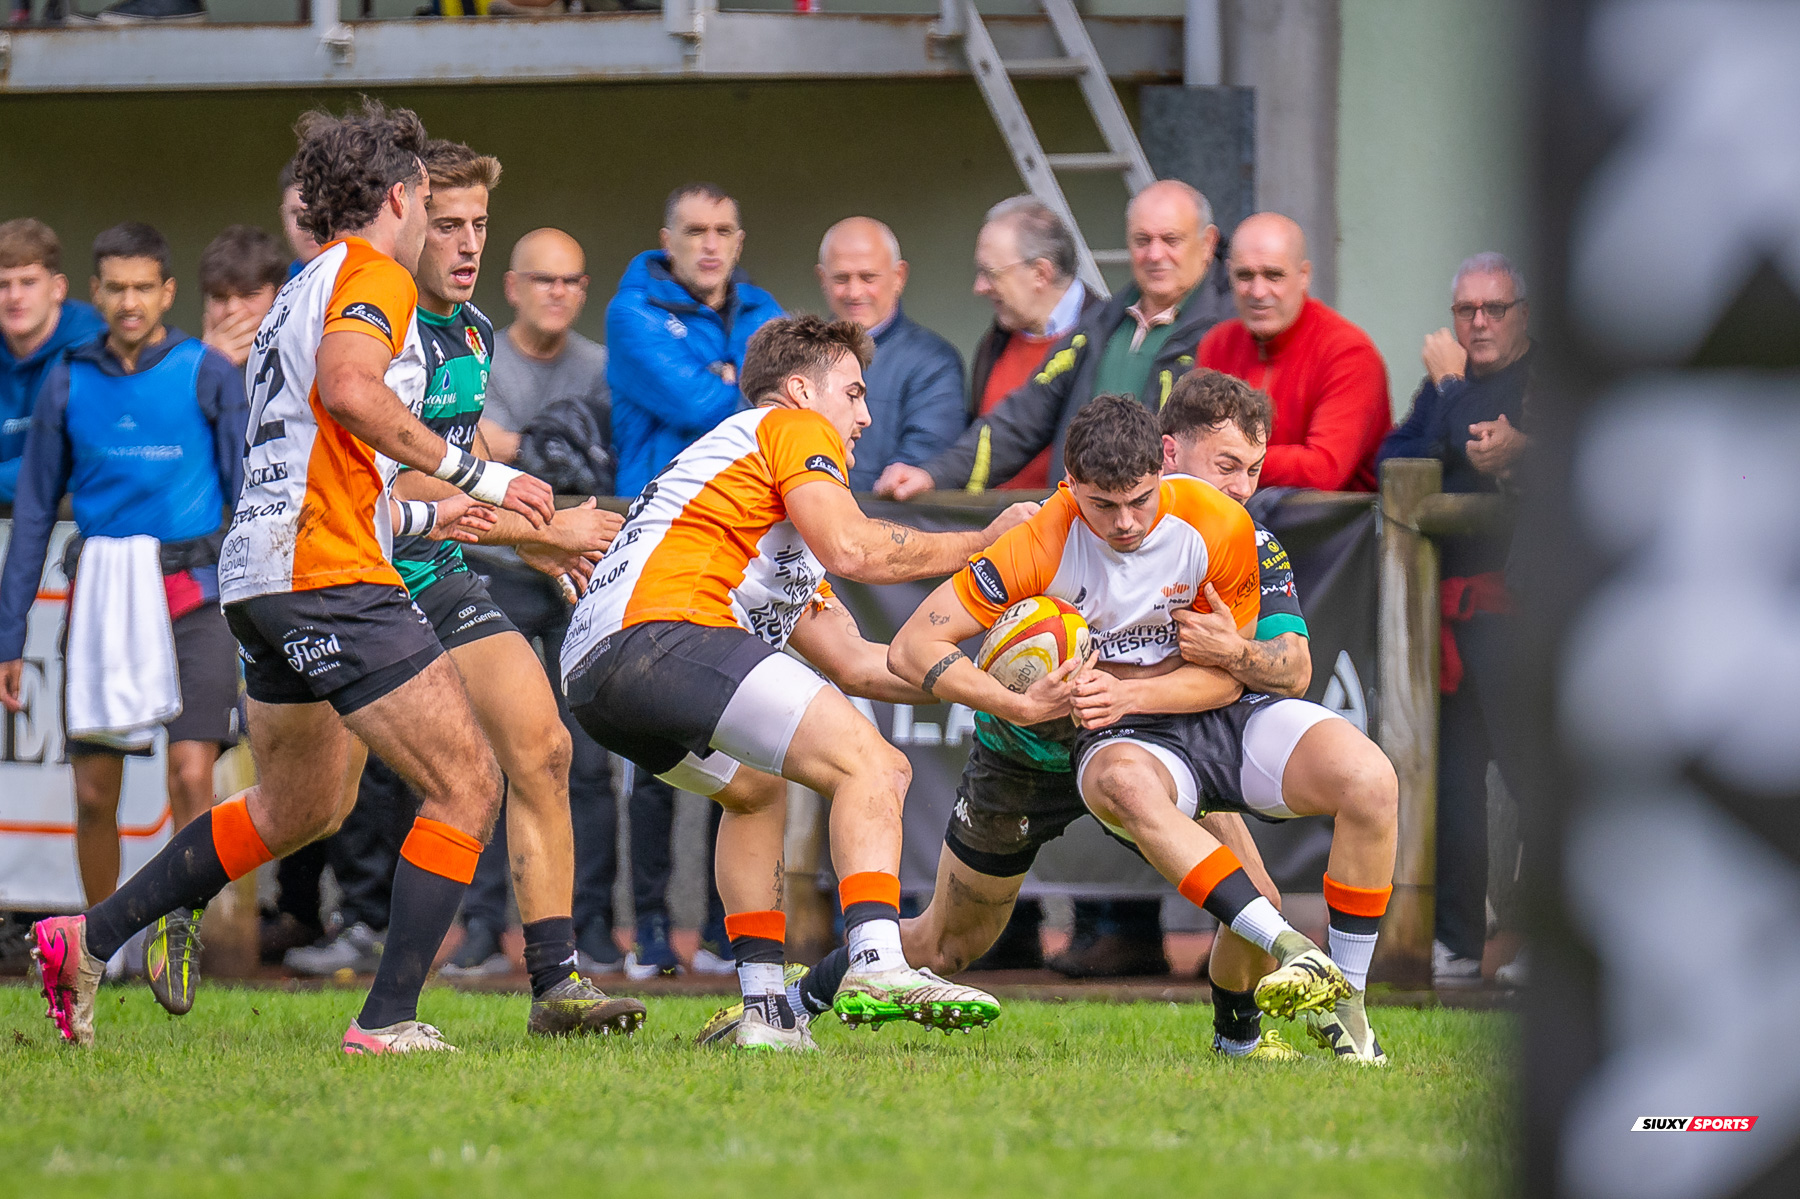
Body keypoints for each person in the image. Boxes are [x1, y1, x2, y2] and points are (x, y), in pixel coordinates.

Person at [29, 98, 557, 1055]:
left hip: (257, 573)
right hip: (326, 564)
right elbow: (355, 394)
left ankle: (87, 934)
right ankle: (387, 1019)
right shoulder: (370, 273)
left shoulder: (302, 288)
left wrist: (442, 505)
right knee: (468, 779)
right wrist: (487, 474)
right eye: (431, 204)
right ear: (400, 196)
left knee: (302, 805)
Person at [560, 315, 1038, 1050]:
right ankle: (877, 961)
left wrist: (998, 688)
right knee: (876, 764)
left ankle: (765, 1013)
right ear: (799, 390)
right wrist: (984, 543)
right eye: (853, 393)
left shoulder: (754, 503)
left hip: (595, 673)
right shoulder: (789, 427)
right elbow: (853, 545)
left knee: (754, 789)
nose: (864, 415)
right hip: (660, 630)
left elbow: (859, 663)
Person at [888, 394, 1399, 1063]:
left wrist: (1172, 676)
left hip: (1147, 732)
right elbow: (909, 648)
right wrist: (1015, 703)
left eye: (1140, 501)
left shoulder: (1221, 525)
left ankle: (1283, 1025)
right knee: (948, 943)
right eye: (1104, 505)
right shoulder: (1042, 537)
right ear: (1071, 486)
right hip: (1026, 750)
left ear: (1160, 470)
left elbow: (1255, 674)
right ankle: (817, 983)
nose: (1126, 523)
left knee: (1266, 887)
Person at [329, 137, 640, 1034]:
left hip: (442, 571)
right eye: (447, 225)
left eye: (479, 226)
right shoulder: (379, 326)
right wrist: (543, 532)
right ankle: (130, 918)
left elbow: (448, 491)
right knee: (305, 804)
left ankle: (556, 983)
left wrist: (525, 539)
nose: (466, 244)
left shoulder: (474, 334)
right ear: (406, 223)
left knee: (543, 746)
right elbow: (396, 484)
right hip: (351, 574)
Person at [0, 221, 246, 1017]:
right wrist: (8, 637)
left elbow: (247, 497)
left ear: (167, 293)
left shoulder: (207, 372)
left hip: (195, 594)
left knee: (190, 774)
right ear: (96, 292)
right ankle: (93, 951)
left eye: (145, 286)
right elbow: (34, 514)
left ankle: (180, 920)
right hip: (103, 596)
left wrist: (254, 610)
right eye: (117, 287)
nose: (131, 300)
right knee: (95, 794)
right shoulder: (68, 382)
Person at [875, 180, 1232, 499]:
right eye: (1142, 241)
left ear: (1207, 243)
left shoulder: (1230, 328)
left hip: (1178, 536)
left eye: (1170, 240)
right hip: (1083, 527)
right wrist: (933, 475)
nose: (1154, 255)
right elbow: (1020, 421)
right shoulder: (1100, 325)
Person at [1377, 251, 1531, 988]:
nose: (1476, 323)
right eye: (1466, 310)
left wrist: (1448, 389)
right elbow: (1402, 454)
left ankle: (1545, 943)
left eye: (1493, 309)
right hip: (1448, 620)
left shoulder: (1534, 380)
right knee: (1454, 785)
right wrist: (1448, 405)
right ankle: (1459, 942)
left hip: (1523, 613)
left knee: (1537, 779)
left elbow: (1469, 440)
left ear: (1523, 313)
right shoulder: (1451, 387)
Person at [606, 182, 783, 499]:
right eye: (696, 232)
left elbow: (797, 398)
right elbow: (697, 406)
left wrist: (723, 378)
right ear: (668, 241)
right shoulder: (632, 313)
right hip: (659, 509)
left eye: (724, 231)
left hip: (750, 504)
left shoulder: (764, 310)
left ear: (739, 244)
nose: (711, 245)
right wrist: (751, 387)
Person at [1197, 213, 1391, 491]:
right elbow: (1191, 444)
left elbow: (1323, 468)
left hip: (1326, 529)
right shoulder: (1216, 344)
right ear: (1228, 273)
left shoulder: (1348, 353)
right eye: (1244, 276)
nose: (1258, 291)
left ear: (1304, 276)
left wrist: (1220, 460)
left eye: (1273, 275)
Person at [815, 216, 966, 491]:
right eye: (841, 278)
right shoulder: (792, 357)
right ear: (822, 279)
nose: (854, 291)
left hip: (888, 523)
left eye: (868, 277)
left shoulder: (934, 362)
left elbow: (919, 462)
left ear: (899, 277)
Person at [1, 219, 105, 504]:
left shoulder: (95, 348)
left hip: (74, 526)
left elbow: (67, 465)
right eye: (3, 284)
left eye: (28, 282)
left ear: (58, 288)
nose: (15, 297)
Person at [199, 225, 287, 369]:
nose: (232, 309)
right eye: (219, 297)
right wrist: (207, 366)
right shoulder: (184, 368)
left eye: (248, 295)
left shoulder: (304, 356)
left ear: (279, 297)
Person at [278, 158, 323, 280]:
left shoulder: (364, 276)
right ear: (283, 218)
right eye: (297, 213)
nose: (307, 224)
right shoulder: (279, 289)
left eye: (317, 211)